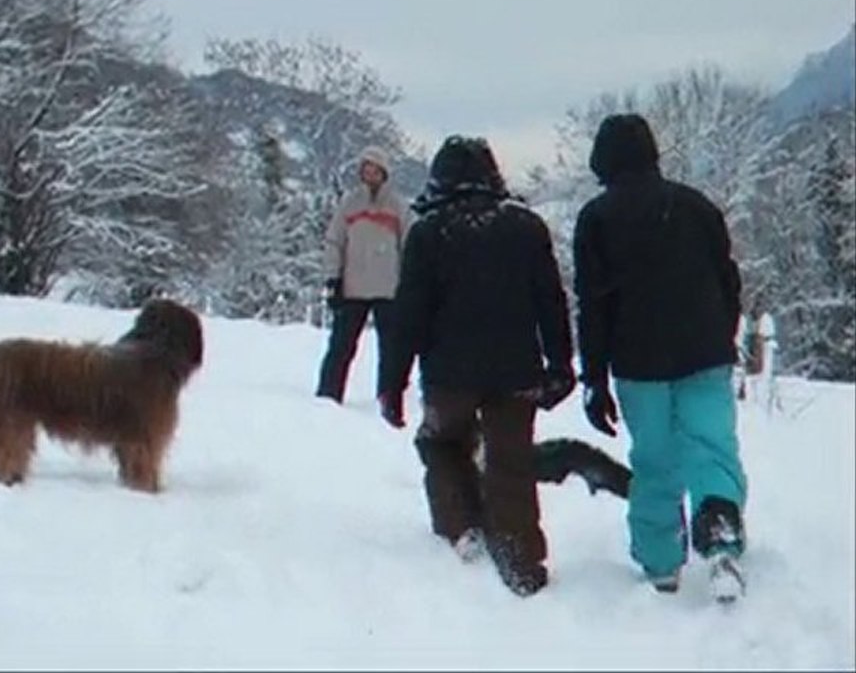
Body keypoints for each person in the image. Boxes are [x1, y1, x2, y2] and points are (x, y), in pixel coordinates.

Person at [378, 135, 575, 597]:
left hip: (449, 374)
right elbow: (551, 300)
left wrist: (393, 381)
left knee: (441, 443)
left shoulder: (430, 232)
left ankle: (461, 524)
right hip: (517, 370)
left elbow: (409, 313)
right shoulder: (525, 227)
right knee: (511, 461)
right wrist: (561, 363)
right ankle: (521, 559)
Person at [573, 113, 748, 601]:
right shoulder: (697, 207)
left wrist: (594, 378)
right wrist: (722, 331)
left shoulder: (597, 218)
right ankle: (720, 534)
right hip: (706, 350)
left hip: (638, 360)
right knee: (713, 445)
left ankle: (661, 562)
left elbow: (594, 305)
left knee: (654, 458)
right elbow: (728, 281)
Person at [315, 145, 411, 404]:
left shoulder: (397, 206)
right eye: (366, 170)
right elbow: (335, 241)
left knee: (391, 351)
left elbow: (409, 246)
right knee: (341, 346)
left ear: (384, 173)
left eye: (375, 170)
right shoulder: (350, 204)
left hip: (389, 288)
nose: (370, 175)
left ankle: (389, 396)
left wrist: (409, 283)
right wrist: (333, 278)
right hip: (352, 287)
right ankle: (328, 395)